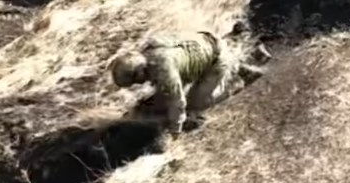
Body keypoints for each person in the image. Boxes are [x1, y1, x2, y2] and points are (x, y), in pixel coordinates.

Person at [109, 31, 264, 133]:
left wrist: (176, 128)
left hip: (216, 60)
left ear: (139, 71)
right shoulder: (150, 49)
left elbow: (178, 102)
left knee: (197, 103)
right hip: (205, 41)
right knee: (169, 92)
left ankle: (241, 78)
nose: (138, 84)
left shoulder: (165, 71)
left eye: (135, 81)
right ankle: (237, 43)